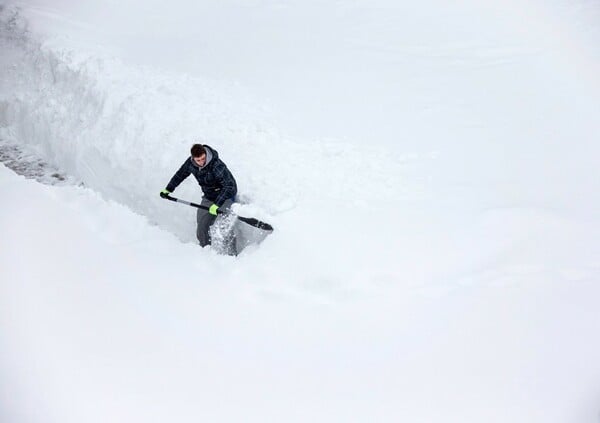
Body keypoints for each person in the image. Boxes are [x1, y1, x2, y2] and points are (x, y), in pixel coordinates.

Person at [160, 144, 238, 251]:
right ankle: (205, 252)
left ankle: (231, 257)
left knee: (223, 229)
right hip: (209, 197)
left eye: (203, 158)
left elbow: (229, 186)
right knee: (202, 228)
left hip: (226, 196)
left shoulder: (216, 165)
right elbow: (180, 174)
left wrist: (217, 204)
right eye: (198, 160)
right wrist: (168, 189)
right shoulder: (190, 163)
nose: (202, 162)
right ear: (193, 158)